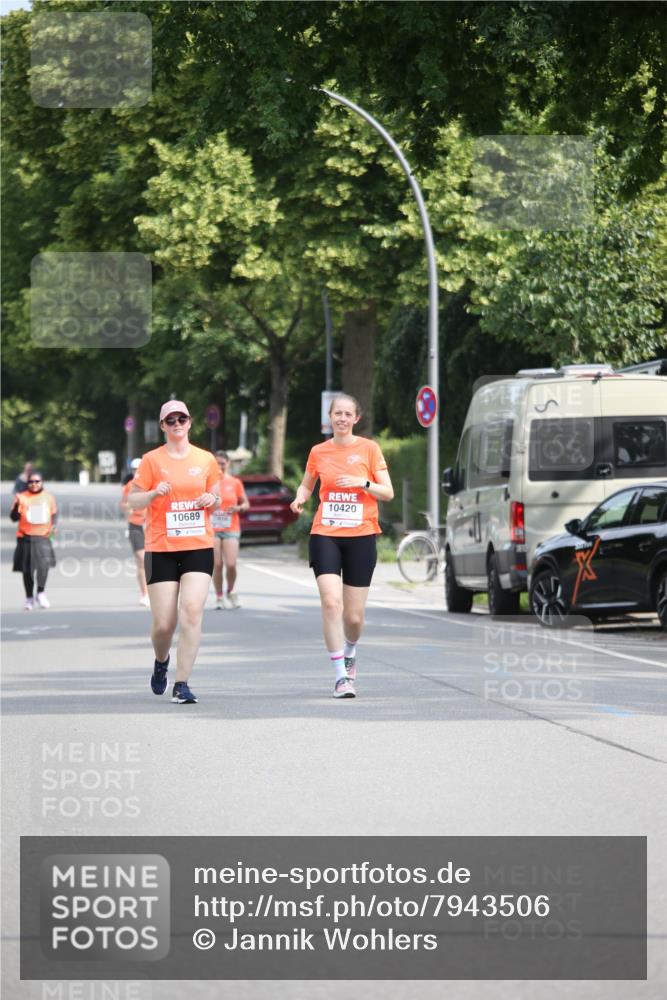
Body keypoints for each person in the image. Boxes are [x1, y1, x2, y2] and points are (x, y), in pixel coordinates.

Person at [290, 393, 394, 698]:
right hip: (326, 533)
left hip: (361, 535)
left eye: (348, 414)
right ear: (330, 418)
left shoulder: (370, 449)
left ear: (356, 419)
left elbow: (388, 492)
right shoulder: (318, 451)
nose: (342, 419)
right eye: (338, 414)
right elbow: (307, 484)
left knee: (354, 617)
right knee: (331, 602)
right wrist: (299, 498)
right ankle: (340, 677)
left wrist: (362, 484)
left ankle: (350, 651)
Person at [128, 401, 221, 705]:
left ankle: (182, 684)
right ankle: (161, 660)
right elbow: (134, 501)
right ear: (164, 425)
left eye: (182, 418)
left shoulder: (205, 459)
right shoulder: (151, 461)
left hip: (198, 546)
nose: (177, 423)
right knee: (164, 624)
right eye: (171, 420)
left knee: (192, 612)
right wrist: (154, 493)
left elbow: (217, 496)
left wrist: (211, 498)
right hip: (161, 547)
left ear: (190, 423)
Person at [10, 470, 57, 610]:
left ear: (42, 482)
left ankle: (41, 593)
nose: (34, 484)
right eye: (31, 482)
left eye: (37, 481)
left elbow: (54, 514)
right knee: (27, 570)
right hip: (25, 537)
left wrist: (54, 527)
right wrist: (17, 505)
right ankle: (29, 598)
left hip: (43, 536)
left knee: (43, 567)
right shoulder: (22, 497)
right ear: (27, 483)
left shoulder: (48, 497)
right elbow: (13, 518)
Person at [211, 450, 250, 609]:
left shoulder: (235, 482)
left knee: (231, 564)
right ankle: (219, 597)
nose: (220, 466)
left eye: (222, 463)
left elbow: (246, 504)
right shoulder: (209, 482)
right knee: (217, 564)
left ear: (228, 464)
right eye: (217, 463)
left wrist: (239, 508)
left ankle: (231, 590)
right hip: (212, 528)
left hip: (231, 527)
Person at [120, 458, 150, 607]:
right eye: (133, 469)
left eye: (138, 469)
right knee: (142, 560)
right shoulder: (129, 486)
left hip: (152, 525)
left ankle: (158, 592)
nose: (136, 472)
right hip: (135, 525)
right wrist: (128, 510)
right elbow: (124, 505)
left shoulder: (152, 483)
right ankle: (144, 594)